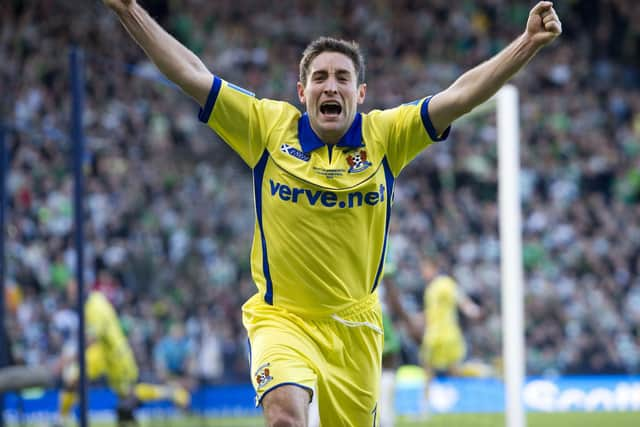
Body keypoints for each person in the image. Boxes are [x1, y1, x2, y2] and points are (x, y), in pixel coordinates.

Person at [101, 0, 561, 425]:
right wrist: (128, 9)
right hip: (282, 317)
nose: (331, 85)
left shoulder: (386, 137)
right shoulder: (266, 126)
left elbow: (460, 96)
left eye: (342, 77)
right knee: (285, 417)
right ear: (302, 91)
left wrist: (526, 43)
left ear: (361, 94)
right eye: (320, 77)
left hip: (355, 329)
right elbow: (190, 72)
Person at [54, 282, 190, 427]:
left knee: (128, 395)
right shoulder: (93, 301)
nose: (71, 297)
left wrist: (67, 359)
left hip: (116, 355)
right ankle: (62, 420)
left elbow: (90, 339)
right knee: (73, 378)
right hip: (101, 351)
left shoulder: (95, 308)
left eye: (72, 293)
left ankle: (171, 392)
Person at [416, 257, 483, 419]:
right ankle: (425, 409)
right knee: (428, 370)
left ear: (433, 268)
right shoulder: (430, 288)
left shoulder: (444, 283)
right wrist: (420, 318)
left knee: (453, 370)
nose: (423, 273)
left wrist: (472, 310)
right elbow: (433, 310)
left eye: (425, 269)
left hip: (447, 333)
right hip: (433, 334)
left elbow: (460, 298)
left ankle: (480, 379)